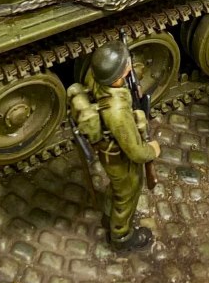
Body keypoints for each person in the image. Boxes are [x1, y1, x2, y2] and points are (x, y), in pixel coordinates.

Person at [67, 41, 161, 250]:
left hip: (108, 152)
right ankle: (121, 236)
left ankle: (108, 213)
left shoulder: (95, 77)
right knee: (128, 191)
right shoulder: (116, 111)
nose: (129, 64)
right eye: (126, 64)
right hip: (119, 158)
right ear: (120, 75)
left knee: (118, 187)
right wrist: (152, 151)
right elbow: (135, 152)